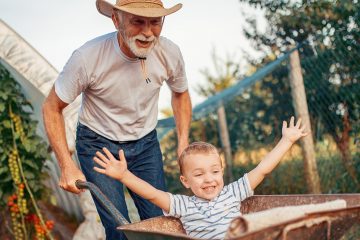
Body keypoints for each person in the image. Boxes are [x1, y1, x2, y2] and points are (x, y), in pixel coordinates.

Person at [42, 0, 191, 239]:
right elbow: (51, 107)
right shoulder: (87, 57)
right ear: (116, 20)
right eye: (137, 22)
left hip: (146, 143)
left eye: (155, 22)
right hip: (97, 144)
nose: (147, 32)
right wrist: (66, 165)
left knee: (160, 221)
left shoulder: (169, 53)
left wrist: (183, 141)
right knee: (117, 226)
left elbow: (181, 94)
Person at [93, 116, 308, 239]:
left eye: (215, 172)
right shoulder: (183, 205)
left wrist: (286, 142)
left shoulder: (233, 192)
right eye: (198, 174)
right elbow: (152, 194)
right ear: (185, 181)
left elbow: (262, 169)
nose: (209, 179)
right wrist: (124, 175)